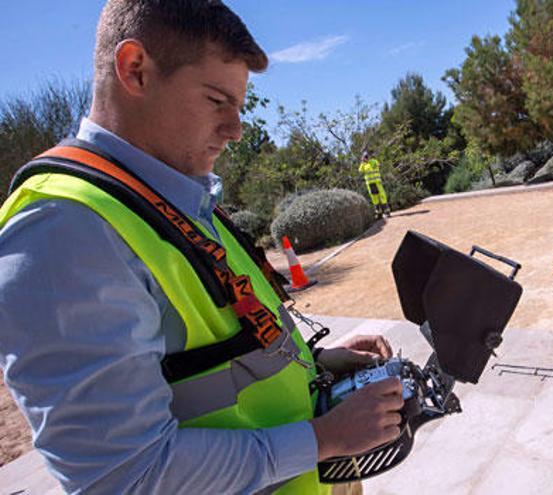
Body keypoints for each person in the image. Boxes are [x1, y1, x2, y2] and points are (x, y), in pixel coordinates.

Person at [0, 2, 403, 494]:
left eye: (238, 106)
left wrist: (313, 365)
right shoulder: (61, 230)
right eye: (217, 101)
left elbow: (210, 361)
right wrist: (323, 440)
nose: (235, 130)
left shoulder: (163, 195)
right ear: (135, 70)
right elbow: (124, 477)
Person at [358, 151, 391, 218]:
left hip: (377, 182)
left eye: (367, 156)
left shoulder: (374, 161)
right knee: (374, 198)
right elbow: (360, 171)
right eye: (365, 157)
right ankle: (379, 213)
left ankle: (386, 211)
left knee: (382, 195)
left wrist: (369, 162)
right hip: (370, 184)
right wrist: (362, 163)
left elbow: (377, 165)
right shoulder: (363, 165)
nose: (366, 158)